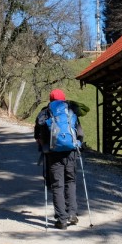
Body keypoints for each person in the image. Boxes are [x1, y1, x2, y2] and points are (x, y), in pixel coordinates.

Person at [35, 89, 84, 229]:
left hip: (53, 153)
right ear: (64, 99)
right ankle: (72, 213)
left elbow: (37, 134)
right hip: (71, 152)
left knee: (57, 185)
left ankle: (62, 220)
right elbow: (79, 132)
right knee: (71, 181)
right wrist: (78, 145)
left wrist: (42, 144)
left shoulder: (45, 111)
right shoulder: (70, 110)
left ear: (50, 99)